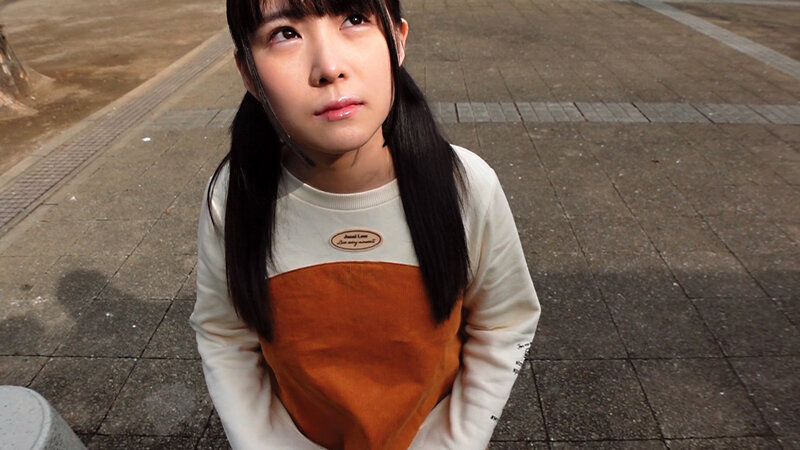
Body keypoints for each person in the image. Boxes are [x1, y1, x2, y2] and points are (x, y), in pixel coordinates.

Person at [189, 0, 541, 448]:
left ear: (398, 40)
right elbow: (224, 334)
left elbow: (504, 323)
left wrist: (455, 440)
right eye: (285, 33)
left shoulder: (467, 185)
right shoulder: (235, 195)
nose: (329, 67)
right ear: (248, 73)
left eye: (355, 19)